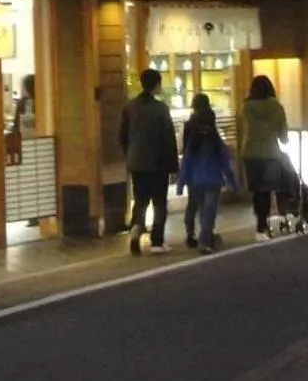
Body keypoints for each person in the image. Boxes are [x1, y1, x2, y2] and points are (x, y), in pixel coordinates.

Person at [120, 68, 179, 254]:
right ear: (157, 85)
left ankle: (136, 230)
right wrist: (173, 164)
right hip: (158, 163)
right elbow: (168, 139)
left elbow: (122, 135)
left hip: (136, 161)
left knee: (141, 200)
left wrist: (129, 153)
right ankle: (157, 242)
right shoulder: (161, 109)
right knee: (159, 202)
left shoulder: (130, 107)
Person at [175, 94, 239, 254]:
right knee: (208, 211)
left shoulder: (192, 138)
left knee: (196, 206)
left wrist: (181, 184)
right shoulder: (214, 139)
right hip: (213, 180)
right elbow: (224, 162)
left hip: (195, 180)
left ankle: (194, 233)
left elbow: (186, 161)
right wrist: (233, 182)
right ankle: (205, 239)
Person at [241, 74, 291, 239]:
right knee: (267, 190)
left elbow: (244, 129)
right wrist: (283, 139)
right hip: (270, 153)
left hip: (250, 153)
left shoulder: (246, 107)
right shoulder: (276, 107)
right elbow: (283, 135)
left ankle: (260, 226)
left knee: (257, 191)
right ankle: (263, 227)